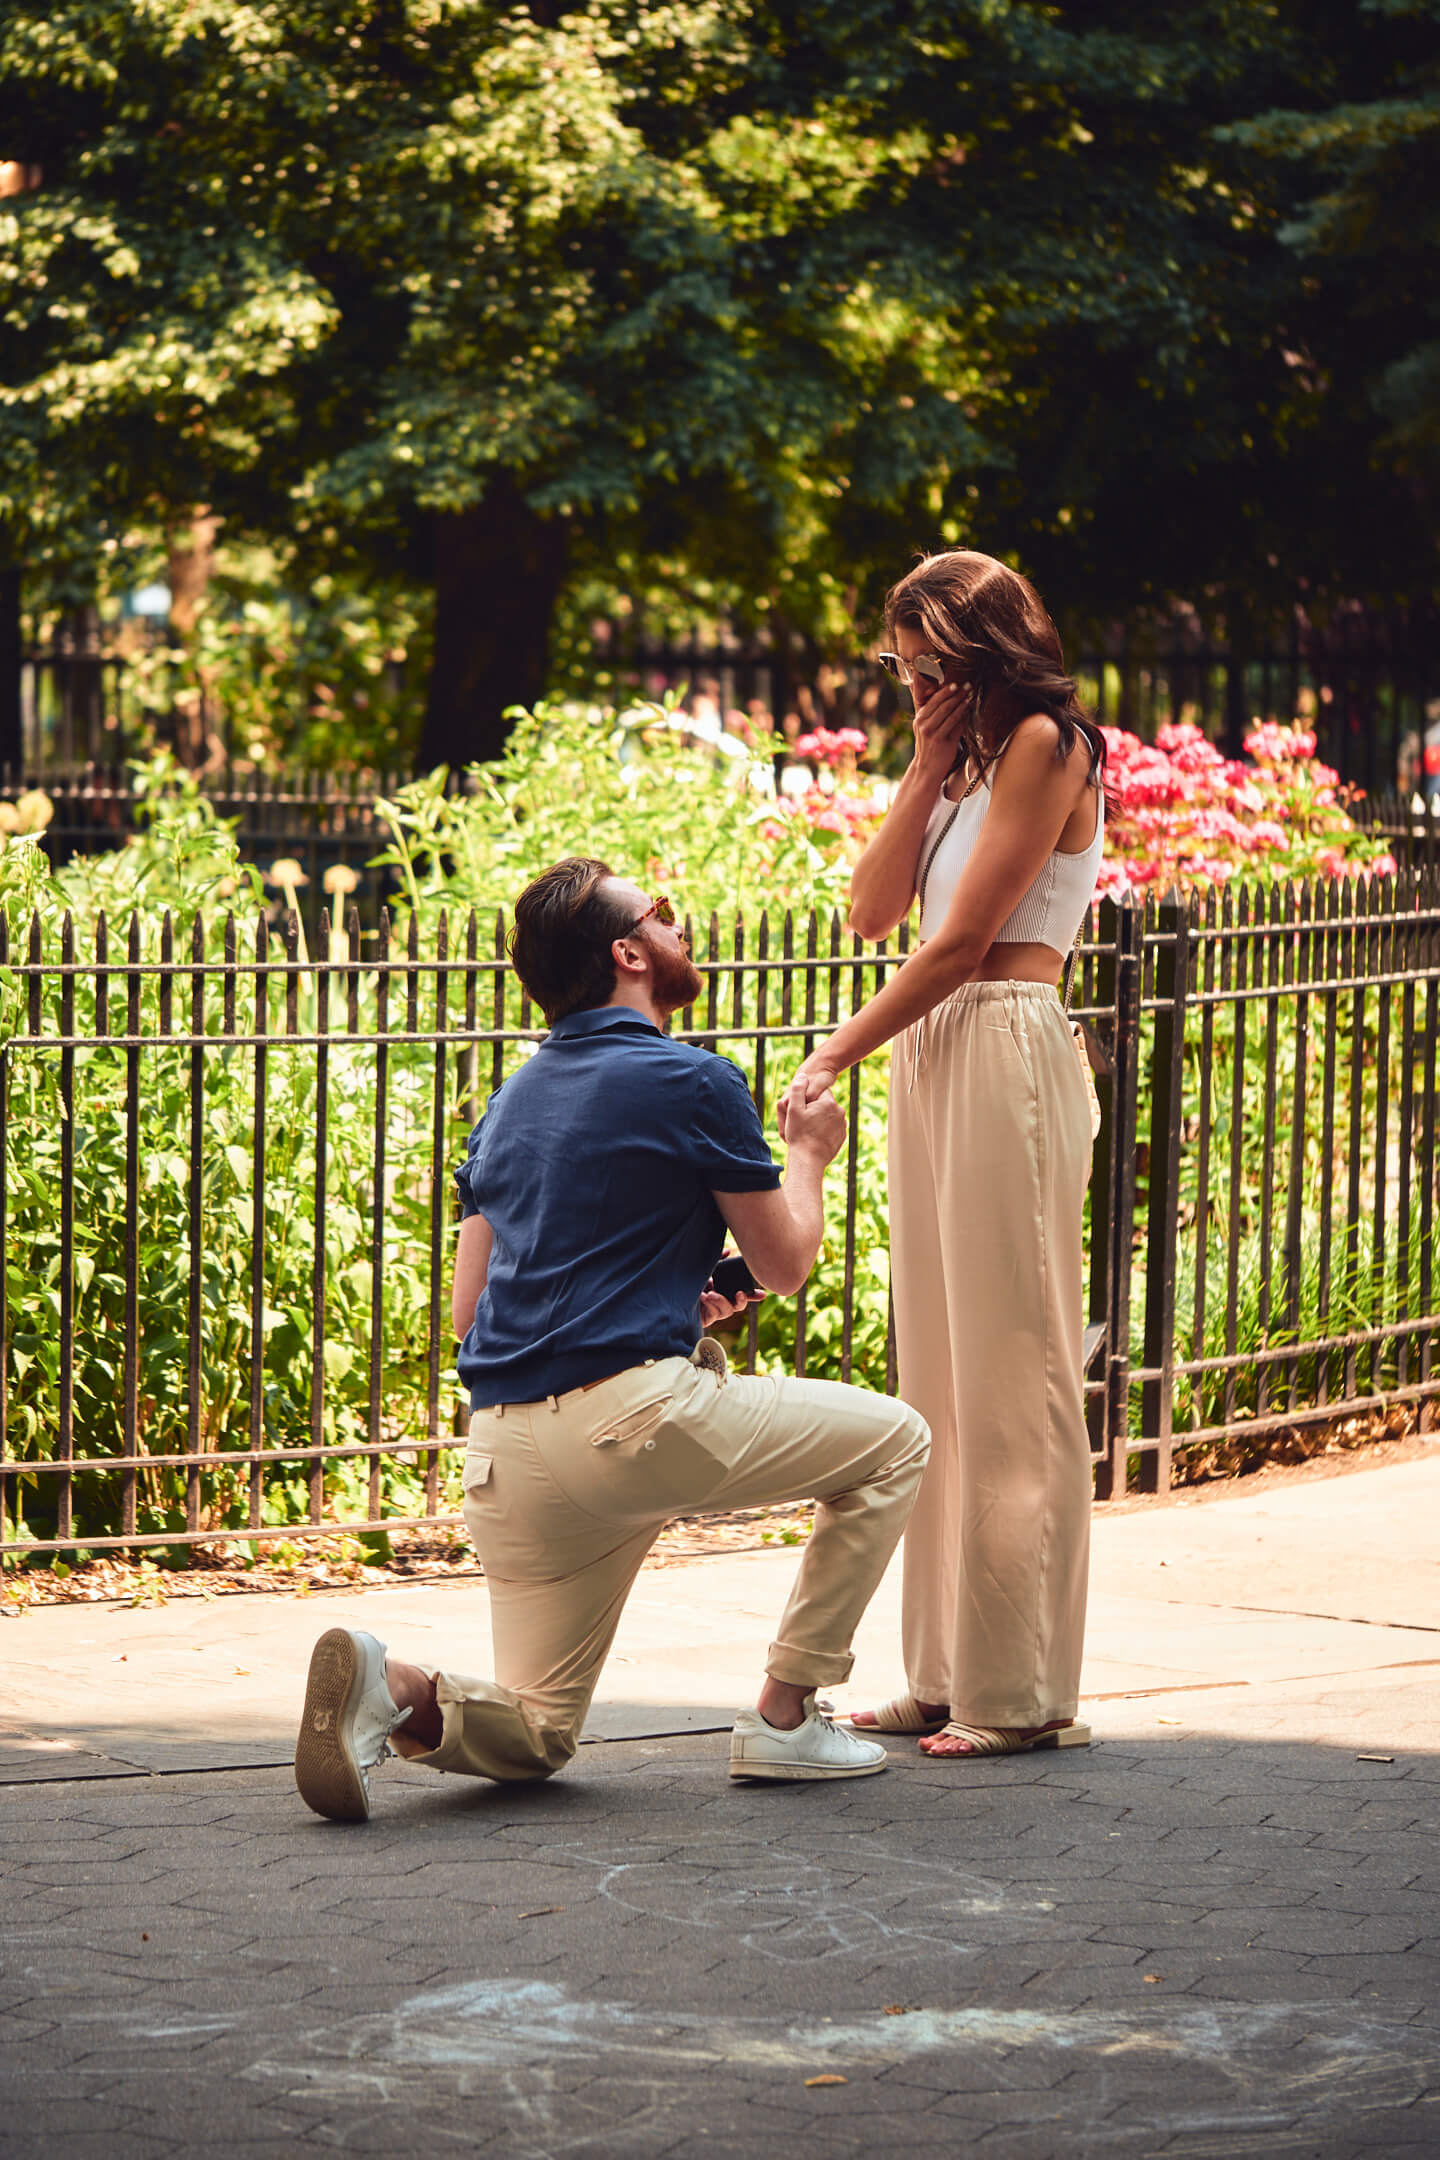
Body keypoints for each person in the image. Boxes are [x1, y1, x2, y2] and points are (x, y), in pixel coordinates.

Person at [295, 857, 930, 1822]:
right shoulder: (693, 1079)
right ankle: (786, 1716)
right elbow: (788, 1261)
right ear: (628, 953)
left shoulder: (506, 1107)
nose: (682, 928)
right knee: (896, 1441)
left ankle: (395, 1687)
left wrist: (677, 1304)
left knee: (540, 1736)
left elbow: (473, 1315)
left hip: (505, 1454)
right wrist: (808, 1153)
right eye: (665, 916)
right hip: (635, 1423)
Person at [779, 549, 1105, 1762]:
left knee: (1012, 1375)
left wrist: (833, 1053)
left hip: (1005, 1041)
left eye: (927, 655)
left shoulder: (1049, 743)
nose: (910, 676)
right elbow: (873, 915)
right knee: (938, 1375)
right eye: (898, 658)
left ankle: (1019, 1693)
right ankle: (940, 1672)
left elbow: (966, 940)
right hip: (935, 1050)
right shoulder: (961, 763)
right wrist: (920, 769)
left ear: (985, 645)